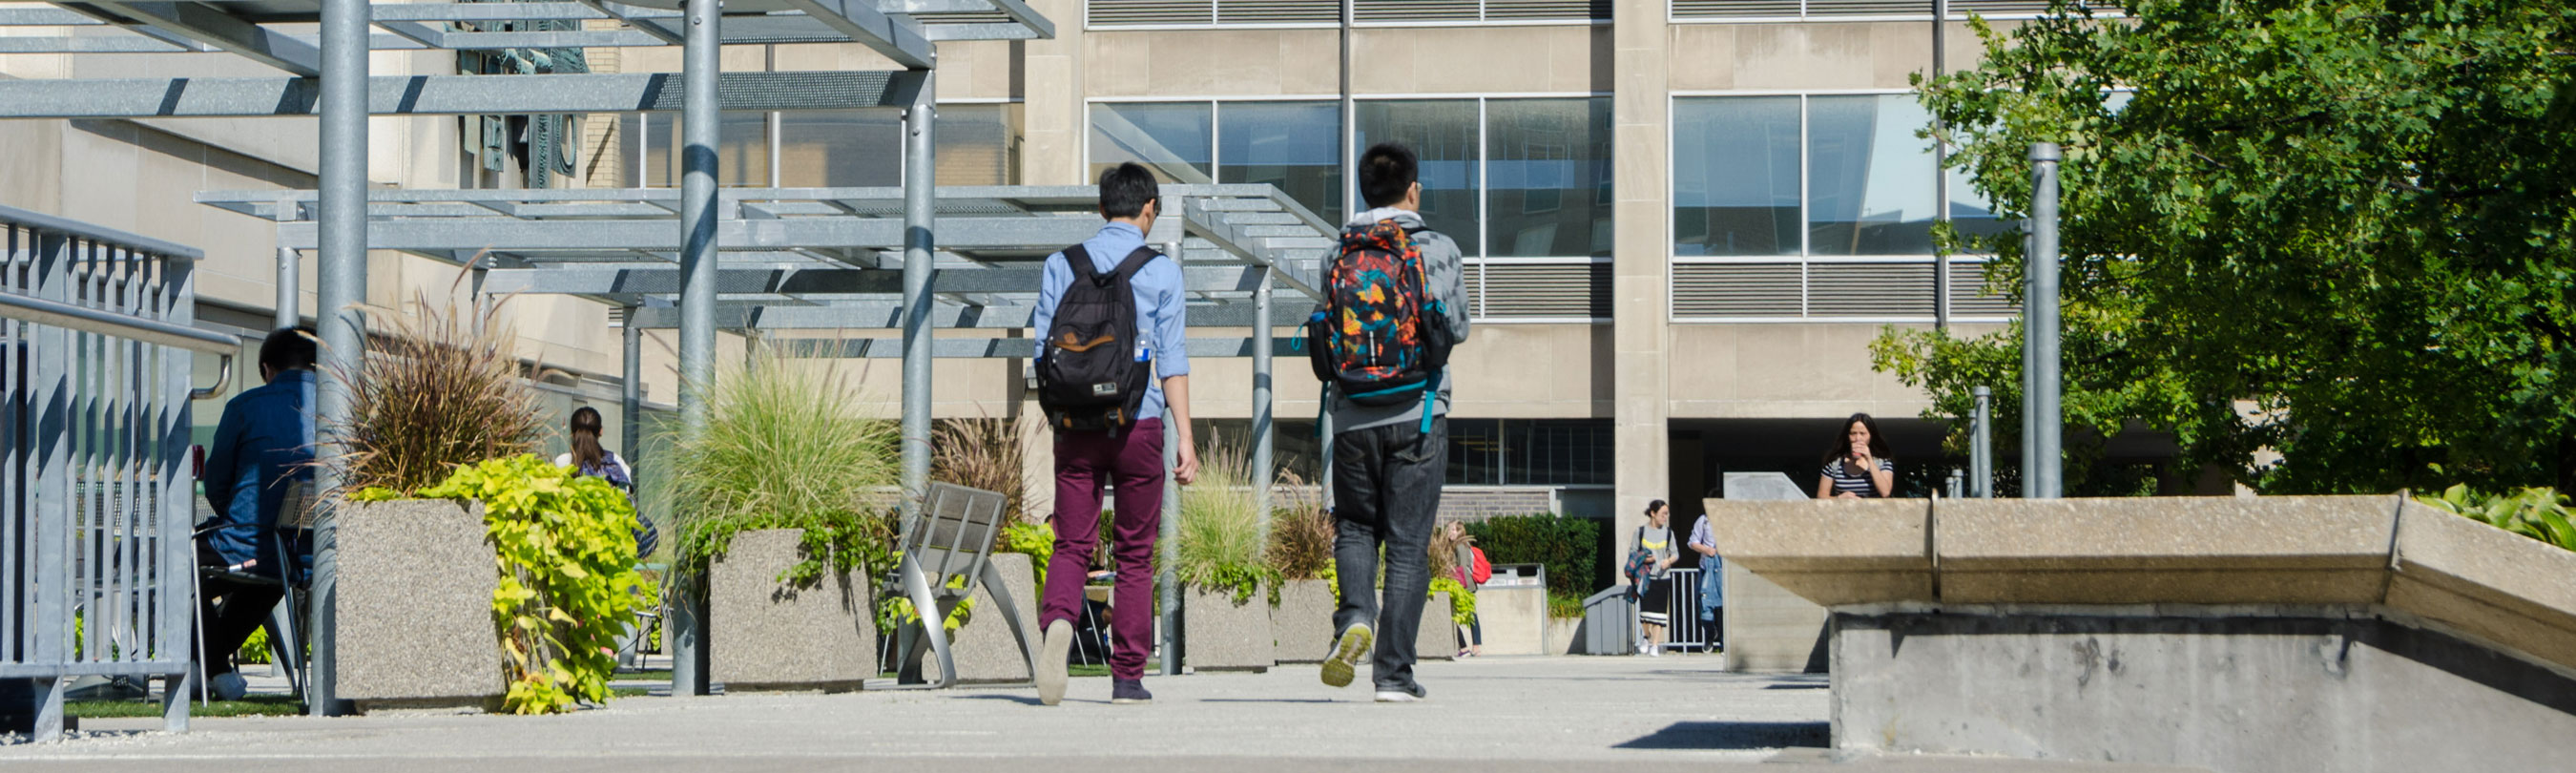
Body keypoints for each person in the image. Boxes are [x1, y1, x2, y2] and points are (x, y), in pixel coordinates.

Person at [1030, 161, 1199, 707]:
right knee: (1134, 553)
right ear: (1149, 208)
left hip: (1076, 427)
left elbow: (1042, 354)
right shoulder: (1162, 273)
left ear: (1102, 209)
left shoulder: (1062, 263)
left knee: (1072, 543)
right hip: (1140, 425)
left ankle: (1059, 620)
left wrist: (1060, 417)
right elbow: (1171, 363)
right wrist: (1186, 438)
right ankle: (1127, 676)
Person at [1315, 142, 1471, 702]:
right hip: (1420, 412)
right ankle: (1394, 677)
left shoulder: (1338, 253)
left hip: (1352, 417)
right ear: (1413, 190)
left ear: (1364, 190)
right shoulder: (1438, 248)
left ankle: (1355, 617)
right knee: (1407, 544)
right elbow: (1456, 328)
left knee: (1357, 528)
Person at [197, 326, 318, 700]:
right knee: (271, 574)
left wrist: (234, 517)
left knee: (176, 565)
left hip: (244, 544)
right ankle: (206, 667)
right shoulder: (340, 408)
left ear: (267, 368)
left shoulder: (246, 407)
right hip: (300, 557)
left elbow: (217, 482)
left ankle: (212, 666)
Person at [552, 407, 656, 558]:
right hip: (612, 545)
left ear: (572, 433)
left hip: (575, 545)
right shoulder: (616, 462)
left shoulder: (563, 462)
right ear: (601, 431)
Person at [1632, 500, 1680, 657]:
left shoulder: (1668, 533)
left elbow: (1675, 553)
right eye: (1663, 514)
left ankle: (1655, 645)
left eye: (1667, 514)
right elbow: (1633, 553)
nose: (1665, 517)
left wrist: (1669, 561)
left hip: (1663, 577)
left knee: (1659, 613)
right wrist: (1645, 560)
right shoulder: (1640, 532)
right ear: (1653, 513)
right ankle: (1646, 636)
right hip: (1645, 576)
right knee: (1645, 612)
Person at [1816, 412, 1896, 499]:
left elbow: (1885, 493)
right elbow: (1821, 496)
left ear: (1871, 436)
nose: (1858, 438)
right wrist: (1839, 498)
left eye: (1862, 434)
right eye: (1853, 433)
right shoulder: (1835, 463)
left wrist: (1869, 460)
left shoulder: (1882, 462)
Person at [1446, 521, 1488, 658]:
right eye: (1449, 530)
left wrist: (1459, 587)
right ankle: (1473, 647)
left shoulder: (1460, 546)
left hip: (1464, 585)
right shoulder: (1458, 545)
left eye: (1453, 530)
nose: (1450, 532)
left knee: (1458, 615)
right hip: (1465, 585)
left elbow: (1462, 568)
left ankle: (1467, 647)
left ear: (1459, 532)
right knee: (1470, 615)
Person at [1686, 499, 1723, 653]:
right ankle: (1709, 631)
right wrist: (1706, 550)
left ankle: (1724, 642)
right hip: (1706, 567)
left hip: (1723, 568)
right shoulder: (1704, 521)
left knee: (1722, 606)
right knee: (1702, 600)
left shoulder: (1728, 520)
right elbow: (1692, 542)